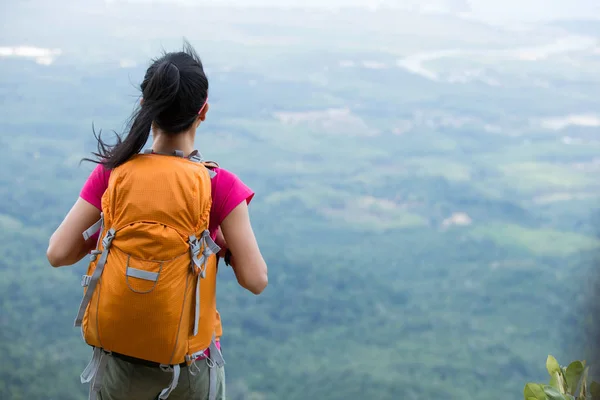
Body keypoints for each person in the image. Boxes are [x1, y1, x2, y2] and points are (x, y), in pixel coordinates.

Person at [46, 41, 268, 400]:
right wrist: (224, 249)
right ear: (204, 111)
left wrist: (109, 232)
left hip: (119, 367)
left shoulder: (114, 173)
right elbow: (256, 280)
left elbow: (57, 253)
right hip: (191, 369)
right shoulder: (219, 185)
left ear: (144, 108)